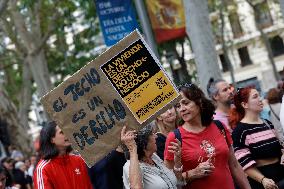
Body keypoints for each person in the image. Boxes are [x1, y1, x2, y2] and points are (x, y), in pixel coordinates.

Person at [164, 83, 251, 189]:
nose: (182, 109)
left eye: (186, 103)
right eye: (178, 106)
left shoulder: (219, 126)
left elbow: (234, 165)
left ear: (199, 102)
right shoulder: (175, 137)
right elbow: (168, 181)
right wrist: (192, 173)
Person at [230, 86, 284, 189]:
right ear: (244, 104)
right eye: (255, 97)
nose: (260, 99)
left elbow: (279, 146)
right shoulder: (240, 131)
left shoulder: (267, 123)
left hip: (281, 174)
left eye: (259, 95)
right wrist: (263, 180)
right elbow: (244, 163)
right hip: (264, 182)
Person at [33, 121, 92, 189]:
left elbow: (89, 185)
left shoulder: (79, 160)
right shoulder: (43, 168)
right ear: (52, 139)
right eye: (62, 132)